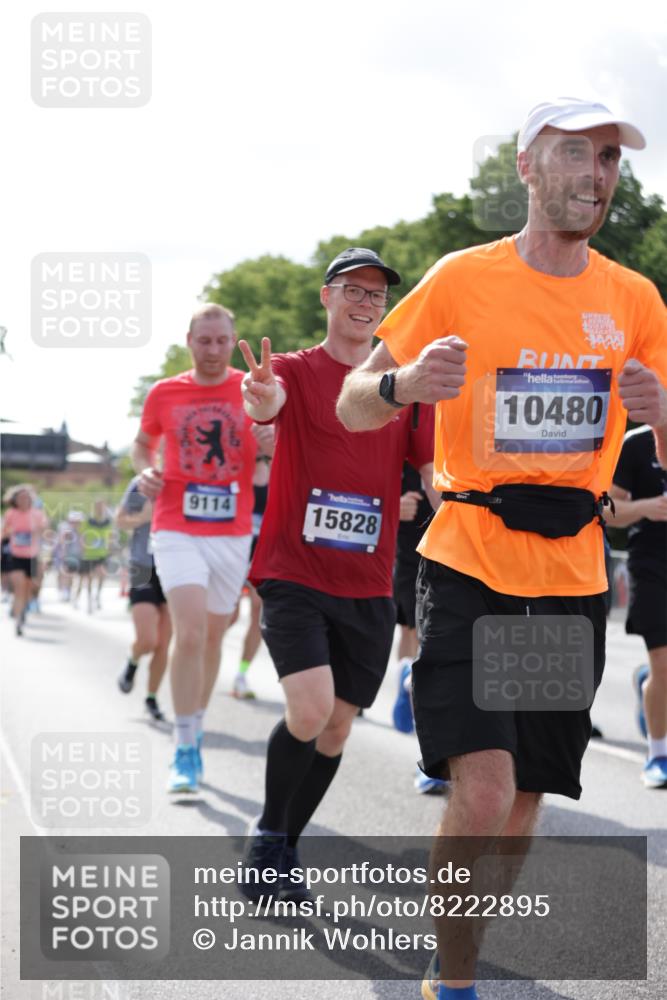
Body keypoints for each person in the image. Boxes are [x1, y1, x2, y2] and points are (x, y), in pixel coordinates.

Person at [337, 98, 667, 1000]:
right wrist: (403, 383)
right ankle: (455, 978)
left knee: (523, 802)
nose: (595, 175)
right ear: (525, 166)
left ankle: (460, 946)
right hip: (469, 556)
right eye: (574, 154)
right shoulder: (461, 278)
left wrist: (662, 412)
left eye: (607, 159)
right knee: (482, 792)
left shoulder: (633, 299)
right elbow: (352, 400)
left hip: (569, 572)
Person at [237, 247, 437, 903]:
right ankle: (268, 835)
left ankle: (285, 844)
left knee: (337, 726)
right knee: (311, 709)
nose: (364, 303)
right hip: (292, 572)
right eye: (352, 289)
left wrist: (458, 523)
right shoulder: (295, 370)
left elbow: (432, 472)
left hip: (370, 584)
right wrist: (261, 396)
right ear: (326, 298)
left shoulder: (403, 384)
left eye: (376, 295)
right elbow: (266, 405)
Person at [132, 303, 259, 794]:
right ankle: (186, 749)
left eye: (220, 341)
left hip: (232, 531)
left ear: (232, 341)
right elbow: (142, 444)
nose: (211, 350)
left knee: (211, 639)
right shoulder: (165, 392)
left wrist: (271, 435)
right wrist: (144, 468)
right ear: (189, 340)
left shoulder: (252, 390)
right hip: (176, 525)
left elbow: (279, 436)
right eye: (203, 341)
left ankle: (196, 720)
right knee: (186, 636)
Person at [605, 425, 667, 788]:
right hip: (651, 564)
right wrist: (647, 507)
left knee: (662, 671)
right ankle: (658, 754)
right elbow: (609, 509)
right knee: (664, 662)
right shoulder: (637, 443)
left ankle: (651, 683)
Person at [391, 462, 447, 794]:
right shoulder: (409, 431)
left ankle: (409, 678)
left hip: (476, 548)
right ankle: (435, 759)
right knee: (422, 639)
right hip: (415, 557)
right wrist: (391, 506)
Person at [116, 476, 172, 723]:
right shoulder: (142, 482)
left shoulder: (192, 479)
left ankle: (151, 698)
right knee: (148, 640)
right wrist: (144, 518)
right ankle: (132, 661)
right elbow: (119, 521)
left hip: (174, 568)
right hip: (143, 567)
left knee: (163, 644)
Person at [229, 424, 274, 699]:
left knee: (258, 612)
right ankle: (204, 653)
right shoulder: (238, 469)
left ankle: (241, 675)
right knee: (228, 613)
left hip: (262, 550)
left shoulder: (280, 467)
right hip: (236, 546)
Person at [1, 485, 48, 636]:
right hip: (16, 555)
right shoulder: (11, 514)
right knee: (19, 586)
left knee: (29, 587)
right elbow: (4, 533)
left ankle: (22, 610)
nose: (23, 500)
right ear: (15, 500)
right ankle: (18, 619)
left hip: (33, 556)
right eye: (20, 497)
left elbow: (45, 534)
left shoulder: (37, 514)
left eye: (26, 497)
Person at [74, 499, 113, 613]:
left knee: (102, 575)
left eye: (102, 507)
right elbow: (81, 534)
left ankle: (98, 596)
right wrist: (83, 547)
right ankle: (89, 601)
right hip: (89, 554)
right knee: (88, 579)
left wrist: (109, 547)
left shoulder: (107, 522)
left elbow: (109, 536)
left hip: (102, 554)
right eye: (98, 506)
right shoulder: (88, 521)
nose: (100, 509)